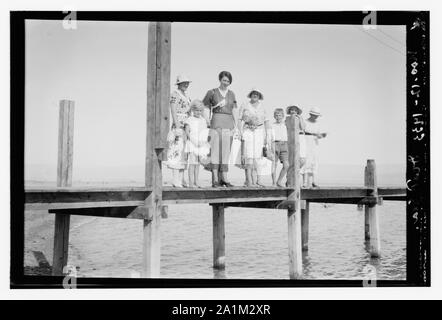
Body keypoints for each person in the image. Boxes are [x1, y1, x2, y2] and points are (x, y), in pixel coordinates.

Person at [202, 71, 238, 188]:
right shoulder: (212, 92)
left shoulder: (232, 94)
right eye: (224, 80)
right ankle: (215, 179)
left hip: (228, 123)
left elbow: (234, 110)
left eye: (228, 81)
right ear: (220, 80)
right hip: (216, 121)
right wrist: (207, 120)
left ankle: (224, 178)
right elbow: (205, 107)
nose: (225, 83)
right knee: (215, 150)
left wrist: (236, 125)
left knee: (226, 152)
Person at [238, 88, 270, 187]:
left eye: (257, 94)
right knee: (248, 156)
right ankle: (249, 181)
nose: (255, 95)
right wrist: (240, 131)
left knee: (257, 157)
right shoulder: (245, 105)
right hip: (248, 130)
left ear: (259, 96)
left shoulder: (263, 107)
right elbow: (239, 119)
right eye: (253, 93)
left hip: (259, 131)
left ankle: (257, 180)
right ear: (250, 95)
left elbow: (266, 121)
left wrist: (267, 135)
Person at [166, 75, 192, 187]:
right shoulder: (175, 94)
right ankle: (175, 180)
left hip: (186, 125)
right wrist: (177, 125)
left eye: (187, 83)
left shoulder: (186, 96)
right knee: (176, 151)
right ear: (179, 84)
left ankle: (181, 179)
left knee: (184, 153)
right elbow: (173, 110)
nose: (186, 85)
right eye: (184, 83)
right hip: (179, 124)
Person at [184, 100, 210, 188]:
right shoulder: (189, 119)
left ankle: (196, 181)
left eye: (200, 110)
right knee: (192, 163)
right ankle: (191, 182)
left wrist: (203, 142)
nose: (198, 112)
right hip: (192, 143)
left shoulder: (203, 120)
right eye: (196, 110)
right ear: (192, 110)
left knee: (198, 164)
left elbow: (205, 131)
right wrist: (194, 141)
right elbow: (187, 132)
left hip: (201, 143)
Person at [301, 106, 327, 188]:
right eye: (313, 115)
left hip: (314, 143)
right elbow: (302, 132)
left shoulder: (318, 123)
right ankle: (304, 183)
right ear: (310, 114)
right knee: (305, 161)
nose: (315, 116)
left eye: (316, 115)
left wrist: (322, 135)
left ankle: (313, 181)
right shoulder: (304, 122)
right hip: (305, 142)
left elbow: (319, 135)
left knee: (314, 161)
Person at [286, 104, 307, 185]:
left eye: (295, 110)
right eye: (291, 110)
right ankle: (290, 180)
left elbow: (303, 128)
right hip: (291, 139)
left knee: (302, 160)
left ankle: (293, 174)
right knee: (291, 160)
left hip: (301, 137)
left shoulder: (299, 118)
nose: (293, 111)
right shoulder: (287, 119)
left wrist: (300, 117)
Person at [270, 108, 289, 187]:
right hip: (275, 144)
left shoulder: (286, 125)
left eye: (280, 115)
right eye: (276, 115)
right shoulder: (272, 125)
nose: (278, 117)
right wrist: (271, 146)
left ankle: (279, 181)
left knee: (286, 165)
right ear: (274, 116)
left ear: (283, 116)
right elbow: (269, 137)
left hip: (284, 145)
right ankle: (274, 182)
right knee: (274, 164)